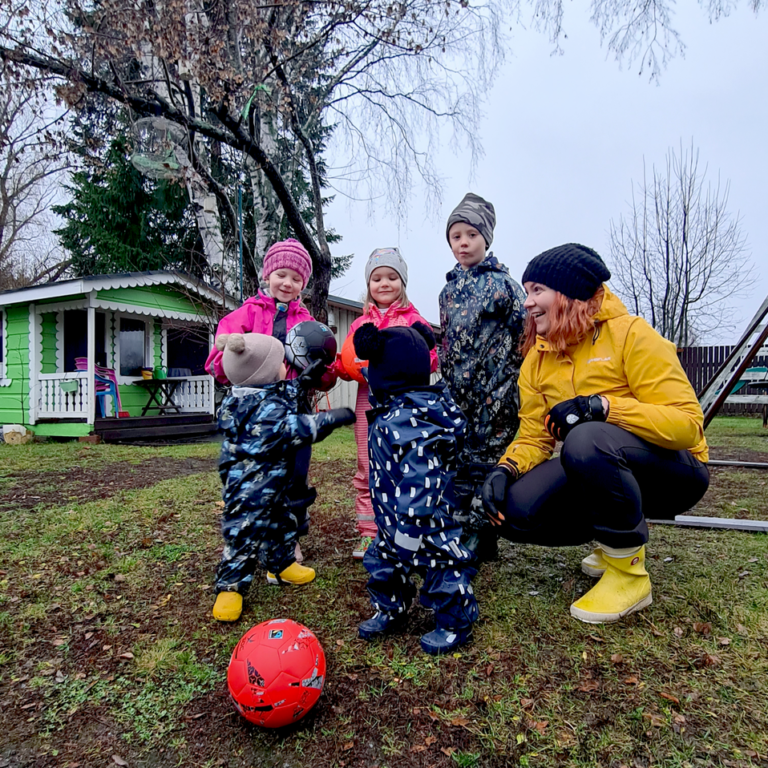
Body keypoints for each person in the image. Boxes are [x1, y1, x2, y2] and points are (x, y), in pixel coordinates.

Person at [481, 243, 710, 624]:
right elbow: (534, 437)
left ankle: (628, 575)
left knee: (586, 439)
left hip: (678, 472)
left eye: (537, 290)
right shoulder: (537, 359)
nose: (527, 303)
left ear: (568, 294)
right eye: (526, 292)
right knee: (517, 510)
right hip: (606, 461)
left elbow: (687, 425)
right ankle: (612, 540)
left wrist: (604, 407)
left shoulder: (631, 335)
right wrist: (505, 470)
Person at [205, 238, 336, 564]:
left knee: (294, 474)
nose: (287, 283)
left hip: (293, 409)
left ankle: (288, 538)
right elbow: (216, 365)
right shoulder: (243, 316)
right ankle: (248, 536)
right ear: (267, 275)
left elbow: (324, 376)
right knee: (254, 476)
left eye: (296, 278)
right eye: (281, 274)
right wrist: (232, 358)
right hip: (252, 414)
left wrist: (324, 371)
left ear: (303, 284)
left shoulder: (308, 324)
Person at [353, 320, 478, 655]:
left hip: (425, 521)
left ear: (386, 373)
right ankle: (391, 607)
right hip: (394, 518)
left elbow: (422, 480)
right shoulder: (394, 411)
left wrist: (409, 529)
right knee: (383, 561)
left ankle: (456, 621)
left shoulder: (410, 420)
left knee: (441, 566)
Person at [211, 332, 355, 622]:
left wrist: (302, 383)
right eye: (280, 364)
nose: (284, 368)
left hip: (274, 486)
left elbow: (279, 392)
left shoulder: (247, 395)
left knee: (281, 524)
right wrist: (332, 418)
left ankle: (281, 565)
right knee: (243, 535)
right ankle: (230, 587)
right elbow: (297, 427)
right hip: (248, 492)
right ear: (264, 372)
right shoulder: (265, 412)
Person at [333, 248, 438, 560]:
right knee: (368, 465)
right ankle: (370, 532)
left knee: (408, 465)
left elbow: (429, 358)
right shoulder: (360, 324)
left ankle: (409, 528)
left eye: (392, 277)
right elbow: (347, 360)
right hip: (369, 402)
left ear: (402, 282)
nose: (384, 283)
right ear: (368, 285)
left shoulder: (415, 320)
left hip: (407, 403)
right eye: (377, 278)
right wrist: (341, 366)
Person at [438, 193, 526, 560]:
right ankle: (461, 529)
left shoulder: (504, 286)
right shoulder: (447, 291)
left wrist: (508, 377)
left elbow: (526, 333)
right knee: (458, 461)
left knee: (487, 463)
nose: (463, 242)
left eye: (471, 234)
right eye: (456, 236)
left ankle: (482, 532)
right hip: (458, 395)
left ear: (485, 239)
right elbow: (446, 341)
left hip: (496, 394)